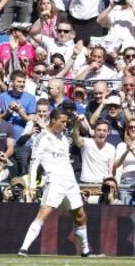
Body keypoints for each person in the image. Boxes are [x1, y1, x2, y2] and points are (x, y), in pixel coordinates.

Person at [18, 108, 91, 257]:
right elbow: (34, 162)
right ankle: (23, 248)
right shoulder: (42, 137)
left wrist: (75, 187)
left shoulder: (63, 139)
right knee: (43, 214)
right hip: (54, 181)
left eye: (66, 122)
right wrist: (31, 185)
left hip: (70, 182)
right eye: (62, 122)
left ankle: (85, 249)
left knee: (80, 215)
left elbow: (68, 159)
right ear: (53, 121)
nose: (65, 125)